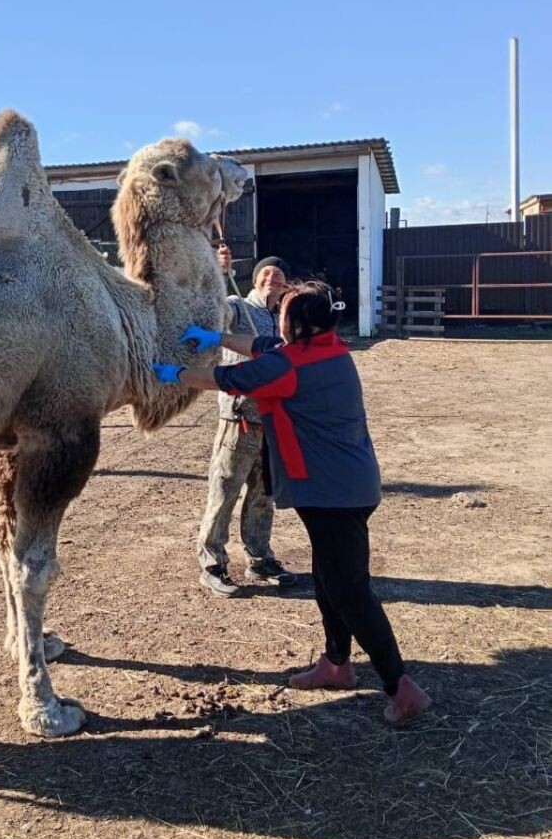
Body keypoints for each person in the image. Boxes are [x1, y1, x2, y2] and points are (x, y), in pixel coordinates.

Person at [152, 280, 431, 727]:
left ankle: (401, 688)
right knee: (329, 577)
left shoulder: (289, 365)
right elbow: (262, 346)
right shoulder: (328, 347)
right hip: (346, 484)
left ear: (298, 324)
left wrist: (174, 373)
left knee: (351, 592)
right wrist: (217, 338)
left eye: (283, 312)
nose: (276, 318)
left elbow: (226, 379)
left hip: (332, 494)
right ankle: (336, 664)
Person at [197, 252, 297, 597]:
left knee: (263, 495)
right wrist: (217, 272)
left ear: (286, 284)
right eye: (265, 273)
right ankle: (212, 563)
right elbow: (210, 313)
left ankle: (259, 558)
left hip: (273, 420)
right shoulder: (237, 307)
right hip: (239, 418)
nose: (271, 278)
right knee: (224, 491)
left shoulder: (285, 318)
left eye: (278, 275)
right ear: (255, 279)